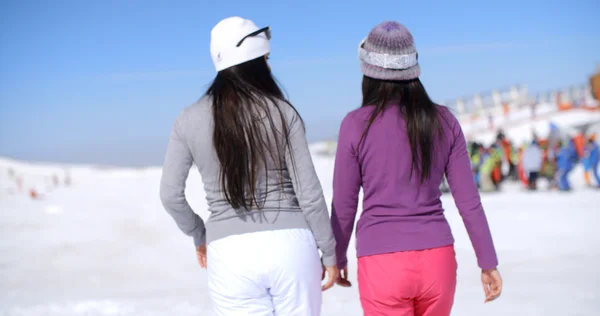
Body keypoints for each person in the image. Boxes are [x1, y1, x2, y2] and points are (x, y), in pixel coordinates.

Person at [159, 17, 338, 316]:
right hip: (291, 247)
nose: (269, 67)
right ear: (254, 62)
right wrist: (329, 252)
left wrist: (198, 233)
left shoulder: (188, 119)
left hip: (229, 255)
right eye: (265, 59)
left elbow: (170, 196)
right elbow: (309, 194)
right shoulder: (283, 112)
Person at [331, 21, 502, 316]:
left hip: (381, 261)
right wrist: (488, 262)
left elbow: (345, 205)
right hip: (437, 260)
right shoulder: (444, 121)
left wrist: (337, 258)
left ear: (368, 72)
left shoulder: (354, 124)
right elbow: (469, 202)